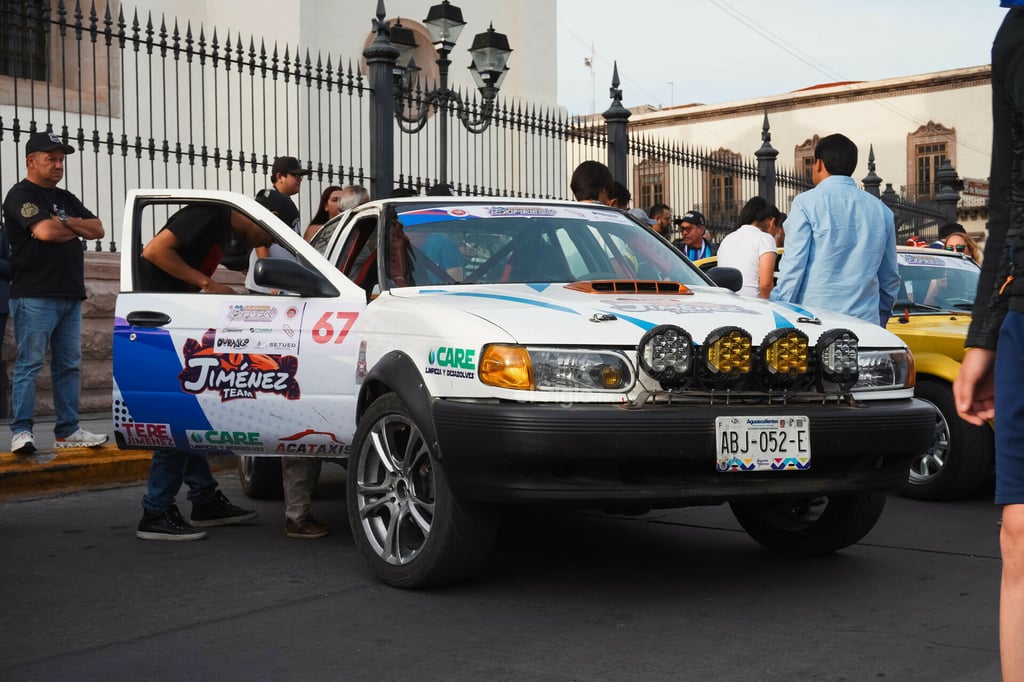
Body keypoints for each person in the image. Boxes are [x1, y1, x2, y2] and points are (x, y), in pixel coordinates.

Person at [954, 8, 1024, 678]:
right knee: (1020, 539)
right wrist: (984, 334)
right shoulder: (1017, 31)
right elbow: (1007, 195)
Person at [136, 203, 269, 540]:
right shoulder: (209, 214)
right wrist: (206, 284)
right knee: (178, 416)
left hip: (174, 319)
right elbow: (154, 251)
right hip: (159, 324)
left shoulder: (225, 229)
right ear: (253, 217)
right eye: (266, 230)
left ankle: (205, 499)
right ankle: (156, 511)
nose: (263, 240)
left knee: (190, 418)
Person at [1, 131, 109, 454]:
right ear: (30, 161)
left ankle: (68, 430)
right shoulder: (19, 195)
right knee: (29, 364)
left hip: (69, 294)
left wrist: (64, 221)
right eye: (51, 158)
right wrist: (70, 227)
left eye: (61, 159)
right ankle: (21, 431)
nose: (59, 165)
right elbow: (45, 232)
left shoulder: (66, 199)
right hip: (35, 294)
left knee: (69, 365)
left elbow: (99, 228)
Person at [252, 156, 329, 540]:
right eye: (295, 176)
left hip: (292, 297)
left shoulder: (289, 204)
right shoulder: (274, 201)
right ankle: (296, 515)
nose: (300, 181)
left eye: (301, 176)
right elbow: (261, 238)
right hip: (281, 300)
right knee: (298, 413)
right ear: (279, 177)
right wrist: (272, 286)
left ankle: (298, 513)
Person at [770, 133, 899, 327]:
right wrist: (879, 322)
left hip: (815, 322)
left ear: (819, 164)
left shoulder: (805, 204)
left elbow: (793, 269)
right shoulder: (882, 211)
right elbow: (889, 279)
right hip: (864, 323)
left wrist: (779, 314)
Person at [715, 197, 779, 299]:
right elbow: (766, 285)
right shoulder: (765, 239)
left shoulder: (727, 239)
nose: (777, 234)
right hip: (753, 305)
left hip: (727, 302)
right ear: (772, 221)